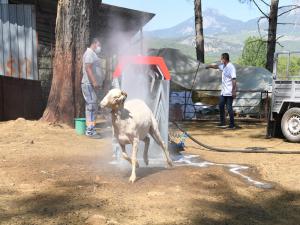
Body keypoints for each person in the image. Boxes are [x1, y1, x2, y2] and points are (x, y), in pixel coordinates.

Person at [206, 53, 237, 129]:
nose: (220, 60)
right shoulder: (224, 66)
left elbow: (234, 80)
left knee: (229, 108)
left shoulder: (231, 67)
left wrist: (233, 91)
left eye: (221, 59)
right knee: (221, 106)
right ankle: (222, 122)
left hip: (229, 92)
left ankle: (232, 124)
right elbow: (216, 66)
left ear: (224, 59)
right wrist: (209, 66)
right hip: (223, 92)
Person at [81, 38, 103, 137]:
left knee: (92, 106)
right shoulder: (89, 53)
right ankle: (90, 131)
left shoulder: (93, 54)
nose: (100, 47)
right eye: (99, 45)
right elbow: (88, 67)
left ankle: (91, 129)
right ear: (94, 43)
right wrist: (94, 82)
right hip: (89, 84)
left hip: (92, 85)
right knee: (91, 106)